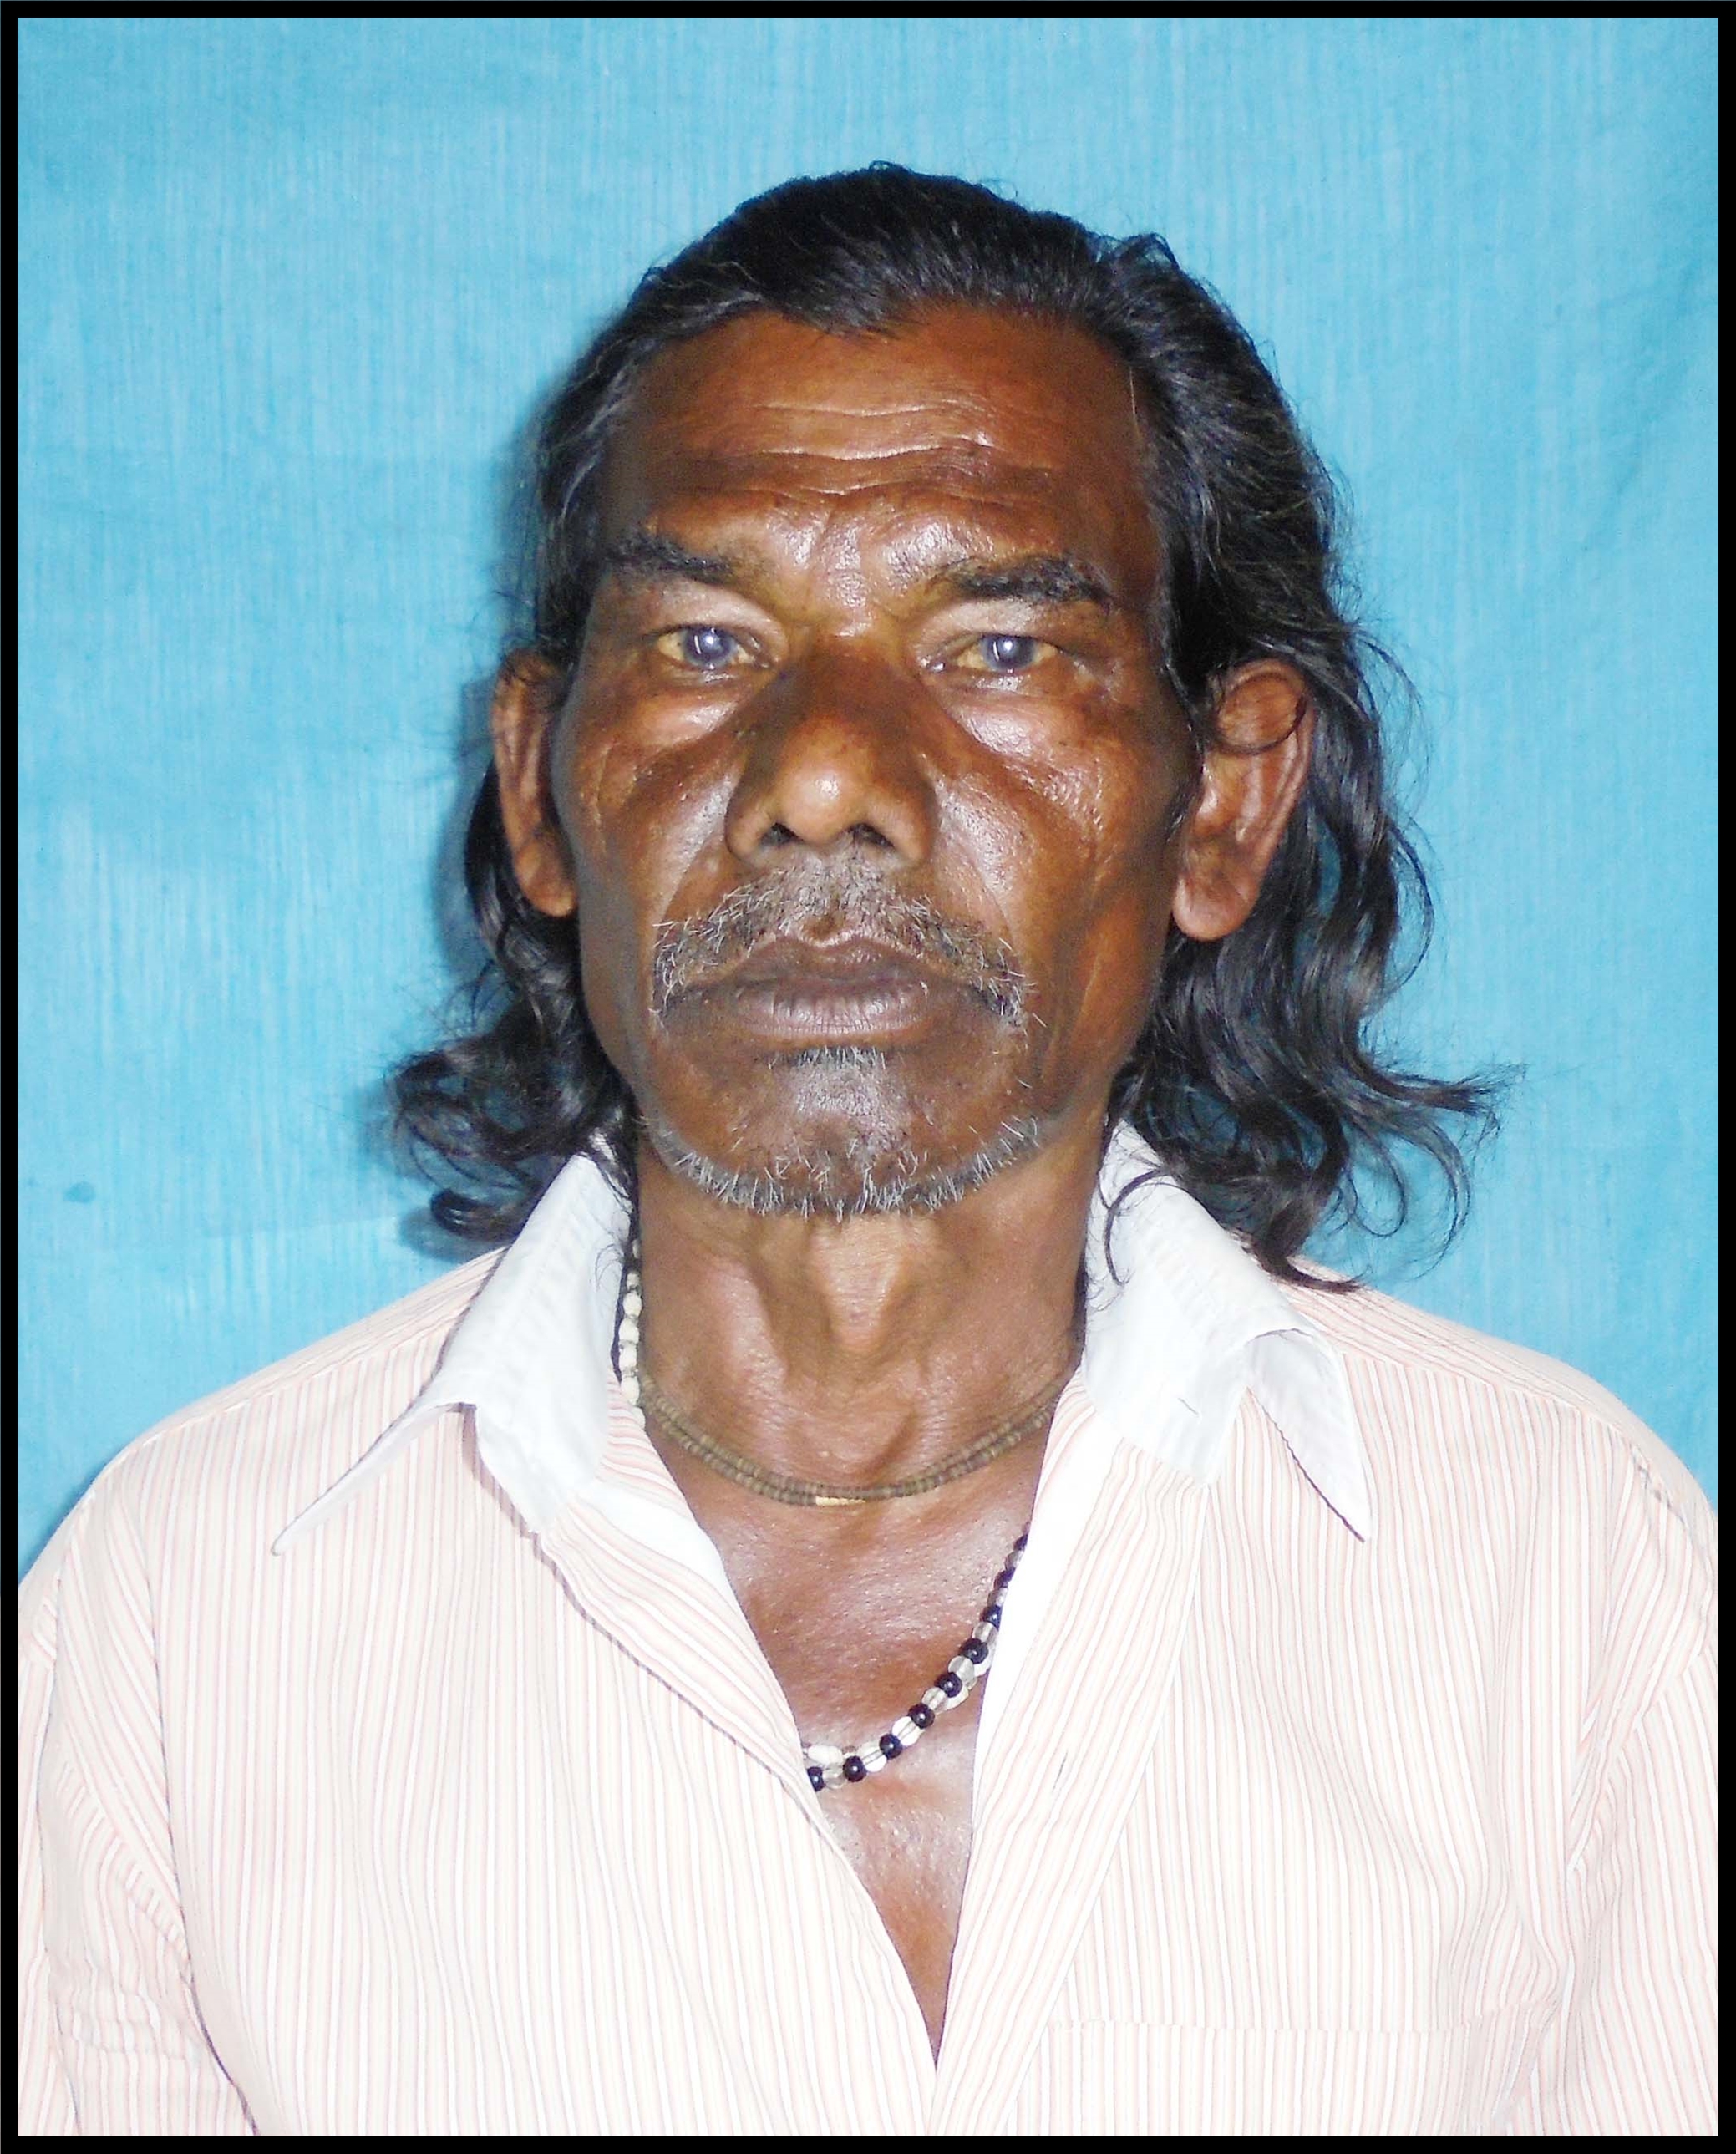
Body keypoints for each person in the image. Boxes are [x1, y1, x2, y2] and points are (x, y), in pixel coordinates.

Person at [18, 166, 1715, 2136]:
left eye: (997, 648)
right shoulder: (189, 1614)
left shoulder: (1556, 1573)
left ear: (1223, 807)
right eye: (704, 643)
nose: (822, 775)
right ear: (541, 791)